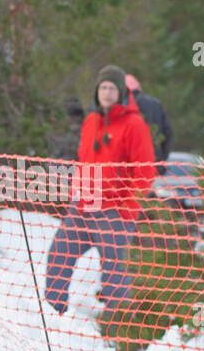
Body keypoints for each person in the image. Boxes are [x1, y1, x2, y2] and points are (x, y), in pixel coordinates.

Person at [43, 65, 156, 320]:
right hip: (82, 208)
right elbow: (83, 160)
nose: (106, 92)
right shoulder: (90, 121)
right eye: (103, 87)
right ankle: (52, 312)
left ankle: (121, 326)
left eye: (112, 88)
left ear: (121, 93)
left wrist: (128, 209)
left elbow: (145, 172)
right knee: (59, 254)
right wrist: (76, 194)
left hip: (113, 212)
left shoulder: (134, 125)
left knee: (114, 273)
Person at [124, 72, 173, 174]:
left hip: (127, 169)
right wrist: (161, 158)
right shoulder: (156, 104)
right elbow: (168, 133)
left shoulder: (120, 105)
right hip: (154, 165)